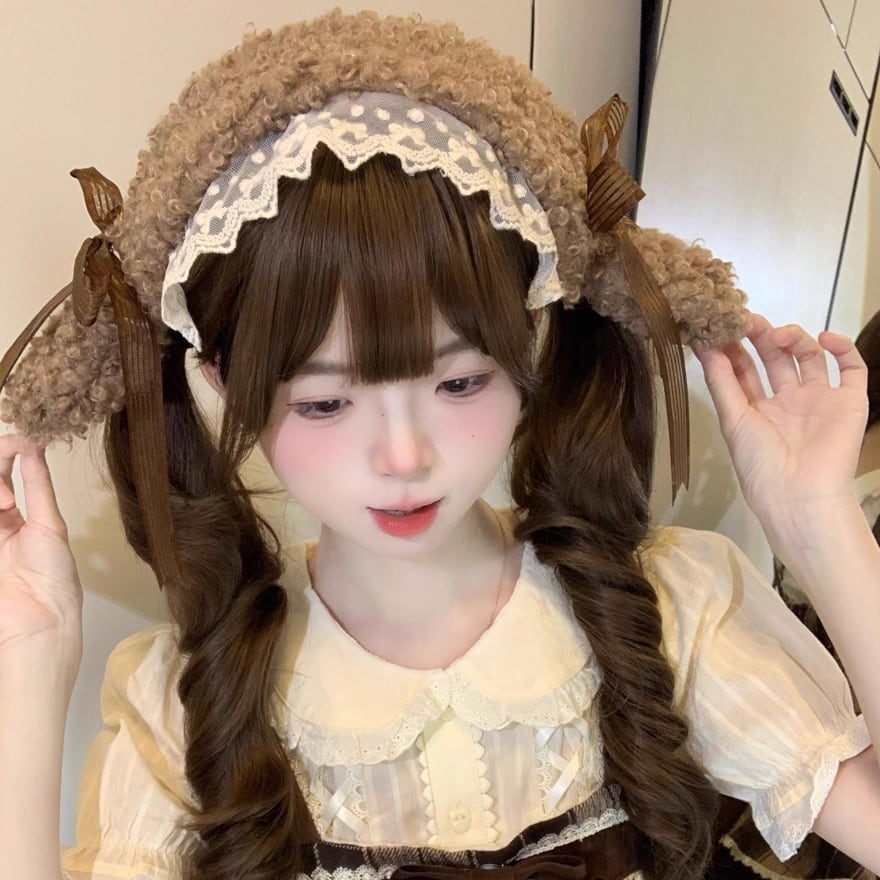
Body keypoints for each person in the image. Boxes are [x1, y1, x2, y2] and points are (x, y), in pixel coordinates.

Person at [0, 10, 879, 880]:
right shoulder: (180, 704)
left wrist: (817, 520)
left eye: (459, 383)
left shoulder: (671, 609)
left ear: (527, 340)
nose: (403, 458)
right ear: (226, 383)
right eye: (326, 402)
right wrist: (27, 660)